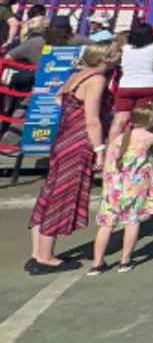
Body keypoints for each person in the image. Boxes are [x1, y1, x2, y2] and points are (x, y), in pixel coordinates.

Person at [25, 44, 112, 274]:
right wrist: (100, 149)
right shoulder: (97, 80)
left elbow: (58, 98)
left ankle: (36, 253)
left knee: (49, 193)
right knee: (62, 196)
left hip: (63, 138)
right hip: (79, 142)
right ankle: (45, 257)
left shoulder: (76, 76)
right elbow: (92, 119)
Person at [88, 99, 153, 275]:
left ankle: (97, 263)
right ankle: (125, 261)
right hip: (135, 185)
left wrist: (108, 185)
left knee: (106, 225)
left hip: (114, 185)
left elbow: (108, 163)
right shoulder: (151, 137)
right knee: (132, 222)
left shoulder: (120, 139)